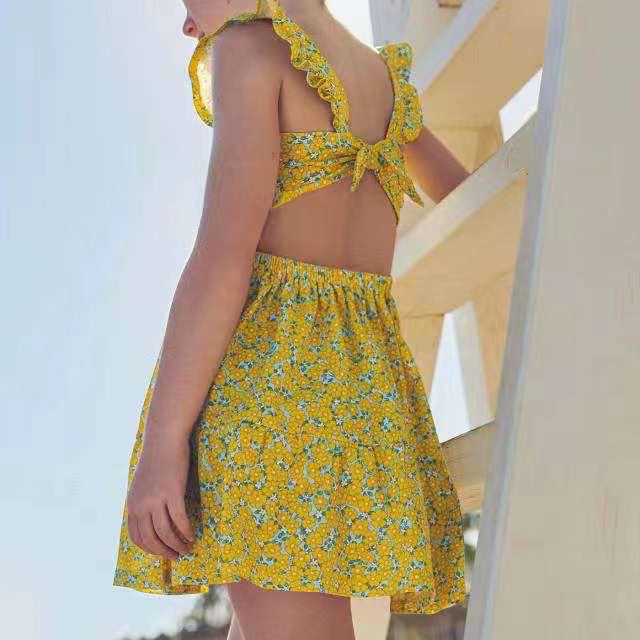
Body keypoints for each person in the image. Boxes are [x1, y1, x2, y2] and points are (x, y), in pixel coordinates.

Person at [113, 1, 471, 639]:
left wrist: (163, 443)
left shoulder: (250, 50)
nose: (187, 24)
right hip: (365, 399)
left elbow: (223, 261)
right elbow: (466, 192)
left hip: (273, 398)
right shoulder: (383, 81)